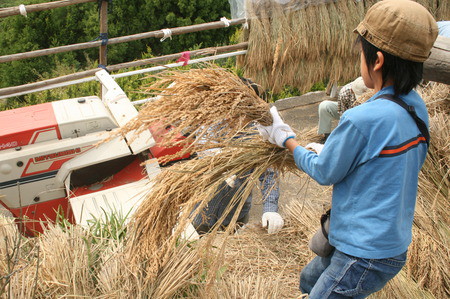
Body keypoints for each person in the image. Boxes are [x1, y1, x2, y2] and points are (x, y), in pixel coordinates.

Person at [257, 0, 438, 297]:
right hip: (388, 240)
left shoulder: (361, 118)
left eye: (360, 54)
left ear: (377, 60)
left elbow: (323, 172)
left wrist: (286, 138)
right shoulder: (416, 107)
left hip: (364, 252)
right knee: (309, 281)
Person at [192, 78, 284, 235]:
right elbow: (204, 147)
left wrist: (270, 209)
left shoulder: (258, 134)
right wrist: (219, 162)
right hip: (203, 209)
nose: (235, 116)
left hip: (236, 211)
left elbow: (269, 174)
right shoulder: (213, 123)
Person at [317, 77, 368, 142]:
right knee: (324, 106)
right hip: (347, 112)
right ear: (352, 90)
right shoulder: (345, 92)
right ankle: (326, 136)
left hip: (363, 115)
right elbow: (342, 115)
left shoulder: (370, 89)